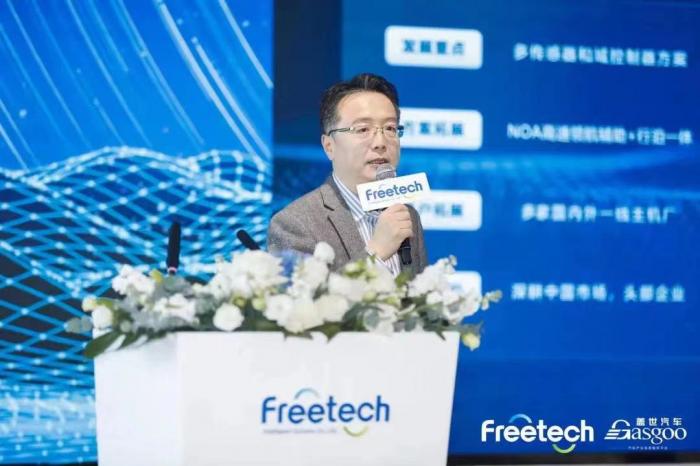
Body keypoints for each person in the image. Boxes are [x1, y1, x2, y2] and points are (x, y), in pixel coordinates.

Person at [267, 73, 427, 276]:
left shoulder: (406, 216)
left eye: (390, 128)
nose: (380, 142)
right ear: (329, 146)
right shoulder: (293, 223)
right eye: (363, 129)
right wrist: (376, 253)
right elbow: (305, 296)